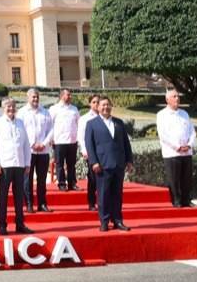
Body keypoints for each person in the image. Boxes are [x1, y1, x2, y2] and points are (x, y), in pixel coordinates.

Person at [85, 96, 134, 232]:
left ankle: (117, 220)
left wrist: (129, 161)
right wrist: (93, 162)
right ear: (98, 107)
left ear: (111, 106)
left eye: (108, 105)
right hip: (102, 165)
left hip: (118, 164)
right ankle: (104, 221)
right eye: (103, 105)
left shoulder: (118, 123)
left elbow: (126, 143)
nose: (106, 107)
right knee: (103, 195)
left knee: (117, 195)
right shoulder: (92, 124)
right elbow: (90, 145)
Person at [0, 97, 34, 235]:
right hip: (4, 165)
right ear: (3, 108)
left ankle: (20, 224)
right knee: (3, 197)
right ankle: (2, 225)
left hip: (19, 164)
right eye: (8, 107)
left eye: (13, 107)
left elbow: (26, 144)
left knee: (19, 196)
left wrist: (27, 163)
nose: (11, 109)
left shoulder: (20, 123)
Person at [157, 89, 197, 208]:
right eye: (174, 96)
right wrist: (177, 147)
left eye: (178, 96)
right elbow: (163, 135)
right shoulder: (162, 114)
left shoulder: (184, 113)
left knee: (187, 178)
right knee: (174, 179)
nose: (177, 99)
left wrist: (189, 145)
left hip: (186, 151)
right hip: (172, 152)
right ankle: (176, 201)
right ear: (167, 99)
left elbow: (192, 131)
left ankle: (187, 199)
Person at [18, 88, 54, 213]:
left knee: (42, 179)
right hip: (29, 151)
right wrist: (32, 144)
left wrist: (43, 144)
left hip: (43, 151)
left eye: (37, 97)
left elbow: (51, 130)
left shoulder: (45, 112)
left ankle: (42, 203)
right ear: (28, 98)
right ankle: (28, 203)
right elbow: (20, 131)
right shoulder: (22, 113)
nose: (35, 99)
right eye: (33, 97)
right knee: (27, 179)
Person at [50, 88, 80, 191]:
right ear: (62, 96)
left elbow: (78, 123)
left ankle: (72, 183)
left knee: (71, 164)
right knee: (60, 164)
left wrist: (78, 138)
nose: (70, 96)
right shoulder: (54, 109)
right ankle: (62, 183)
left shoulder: (74, 109)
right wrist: (51, 139)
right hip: (59, 141)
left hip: (72, 141)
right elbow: (50, 125)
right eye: (68, 95)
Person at [77, 94, 100, 211]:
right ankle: (91, 203)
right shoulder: (84, 118)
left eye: (98, 102)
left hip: (103, 153)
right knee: (92, 178)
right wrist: (85, 151)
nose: (96, 104)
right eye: (94, 102)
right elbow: (80, 137)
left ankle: (102, 201)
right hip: (90, 153)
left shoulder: (104, 117)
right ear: (90, 104)